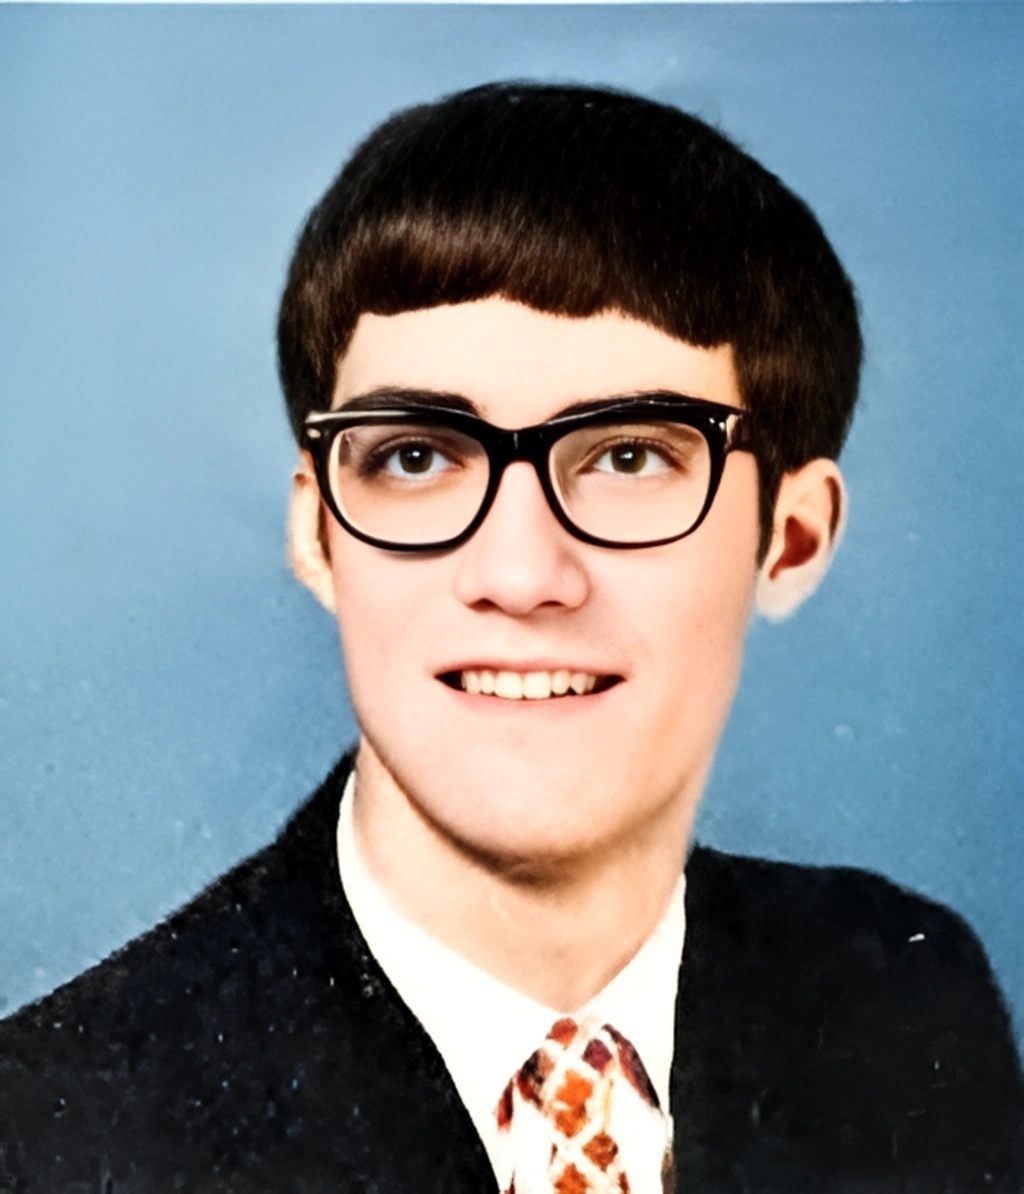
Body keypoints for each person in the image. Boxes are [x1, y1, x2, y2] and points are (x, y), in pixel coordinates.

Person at [0, 81, 1020, 1194]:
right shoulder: (54, 1130)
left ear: (791, 538)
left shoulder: (904, 1001)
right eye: (417, 456)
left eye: (631, 456)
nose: (522, 576)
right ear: (318, 535)